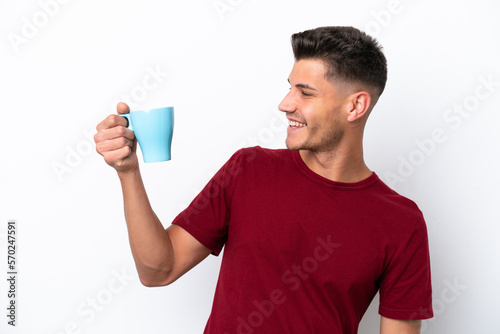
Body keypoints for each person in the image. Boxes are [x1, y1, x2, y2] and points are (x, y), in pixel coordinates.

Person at [95, 26, 433, 334]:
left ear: (355, 106)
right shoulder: (249, 170)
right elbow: (158, 270)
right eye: (290, 88)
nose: (285, 104)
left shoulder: (402, 223)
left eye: (306, 93)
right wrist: (128, 171)